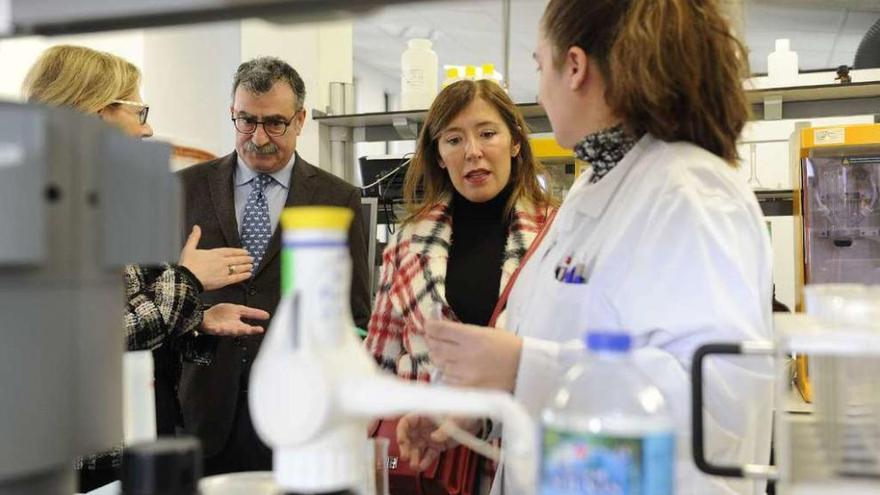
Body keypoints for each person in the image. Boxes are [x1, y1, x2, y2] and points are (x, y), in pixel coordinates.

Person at [403, 1, 774, 494]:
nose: (539, 90)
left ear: (574, 67)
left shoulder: (690, 193)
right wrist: (475, 406)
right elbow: (552, 339)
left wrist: (520, 369)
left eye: (540, 65)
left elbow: (715, 406)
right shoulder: (595, 187)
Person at [177, 56, 371, 474]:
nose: (259, 137)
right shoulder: (184, 190)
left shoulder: (339, 200)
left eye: (275, 123)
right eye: (246, 121)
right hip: (204, 411)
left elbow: (355, 315)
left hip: (301, 413)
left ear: (301, 120)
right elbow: (160, 300)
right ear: (232, 113)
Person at [364, 78, 556, 492]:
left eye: (487, 133)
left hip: (517, 459)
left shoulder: (555, 238)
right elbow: (377, 364)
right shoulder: (407, 240)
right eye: (454, 139)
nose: (472, 152)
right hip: (421, 454)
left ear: (516, 142)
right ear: (438, 153)